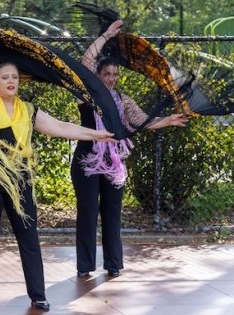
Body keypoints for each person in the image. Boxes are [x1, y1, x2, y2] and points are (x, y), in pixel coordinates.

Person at [0, 19, 116, 312]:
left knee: (28, 235)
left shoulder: (27, 110)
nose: (10, 81)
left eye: (14, 77)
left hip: (19, 178)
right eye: (4, 77)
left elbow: (62, 127)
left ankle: (38, 294)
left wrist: (98, 134)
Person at [73, 19, 188, 278]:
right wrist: (105, 36)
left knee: (112, 214)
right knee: (88, 212)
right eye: (106, 75)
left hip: (113, 164)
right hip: (86, 161)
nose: (111, 79)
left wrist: (167, 120)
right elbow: (86, 61)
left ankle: (113, 265)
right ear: (97, 76)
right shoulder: (86, 95)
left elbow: (143, 120)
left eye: (115, 75)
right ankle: (85, 266)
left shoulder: (123, 100)